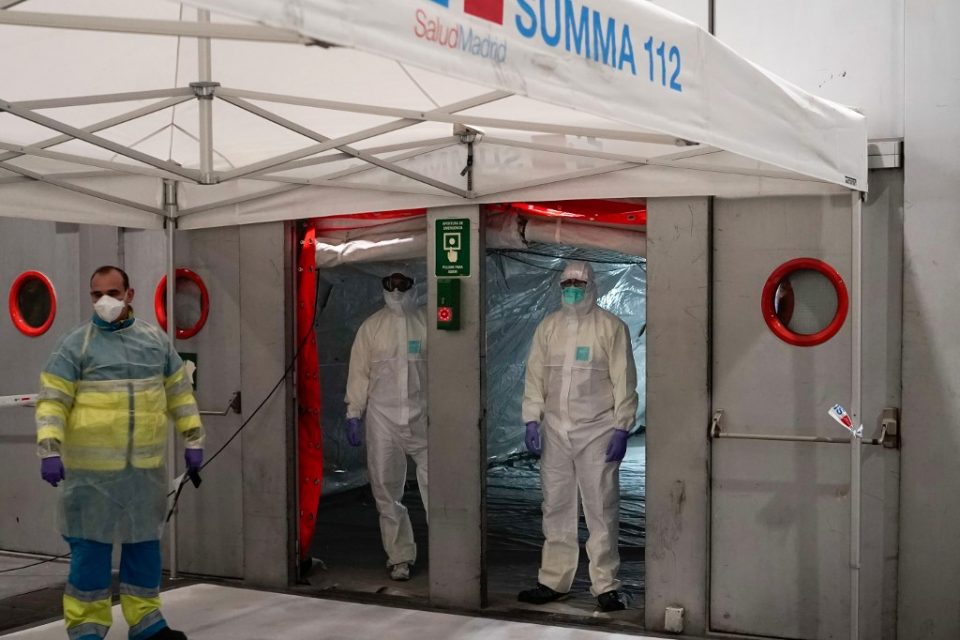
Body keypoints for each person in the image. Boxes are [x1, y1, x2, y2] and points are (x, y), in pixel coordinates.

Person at [36, 266, 204, 640]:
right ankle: (86, 628)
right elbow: (52, 401)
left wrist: (193, 440)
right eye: (96, 294)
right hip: (90, 477)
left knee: (144, 551)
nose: (104, 301)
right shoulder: (75, 345)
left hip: (144, 474)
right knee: (90, 557)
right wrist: (49, 449)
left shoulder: (155, 342)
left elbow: (179, 395)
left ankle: (147, 623)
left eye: (112, 292)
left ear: (130, 294)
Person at [518, 261, 638, 612]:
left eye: (578, 283)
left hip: (597, 431)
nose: (572, 289)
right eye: (566, 283)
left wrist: (622, 426)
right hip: (555, 430)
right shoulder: (549, 327)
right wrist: (531, 419)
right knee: (556, 506)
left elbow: (624, 379)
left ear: (592, 286)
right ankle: (553, 580)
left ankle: (605, 585)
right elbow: (535, 376)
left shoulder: (610, 327)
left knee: (601, 508)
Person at [344, 272, 428, 582]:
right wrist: (354, 411)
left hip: (424, 417)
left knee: (440, 489)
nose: (396, 289)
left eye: (402, 283)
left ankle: (450, 554)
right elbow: (359, 373)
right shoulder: (372, 328)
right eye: (391, 283)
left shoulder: (428, 324)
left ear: (412, 285)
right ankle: (400, 556)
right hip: (383, 419)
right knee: (386, 491)